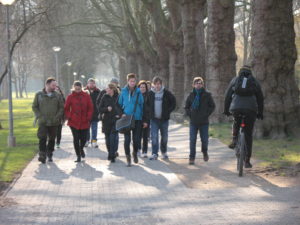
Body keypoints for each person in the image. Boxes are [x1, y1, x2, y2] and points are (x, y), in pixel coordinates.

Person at [224, 65, 264, 168]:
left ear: (240, 72)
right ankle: (247, 161)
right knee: (248, 134)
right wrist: (260, 112)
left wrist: (226, 110)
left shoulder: (235, 80)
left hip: (236, 108)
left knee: (236, 122)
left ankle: (234, 140)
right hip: (251, 110)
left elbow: (228, 96)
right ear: (250, 72)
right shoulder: (255, 81)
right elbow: (260, 98)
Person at [32, 77, 64, 163]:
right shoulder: (39, 95)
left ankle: (50, 153)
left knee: (52, 139)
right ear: (47, 84)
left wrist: (57, 116)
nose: (55, 87)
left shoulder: (57, 95)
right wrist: (39, 116)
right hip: (43, 121)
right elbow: (34, 106)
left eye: (55, 85)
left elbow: (61, 107)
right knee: (42, 138)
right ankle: (42, 155)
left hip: (54, 122)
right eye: (53, 85)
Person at [185, 77, 216, 165]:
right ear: (193, 85)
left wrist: (206, 113)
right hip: (193, 122)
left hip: (204, 122)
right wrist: (190, 114)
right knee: (192, 140)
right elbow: (186, 107)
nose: (198, 85)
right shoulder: (191, 95)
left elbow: (212, 106)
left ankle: (205, 152)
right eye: (196, 83)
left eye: (200, 83)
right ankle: (192, 157)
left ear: (202, 85)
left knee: (205, 140)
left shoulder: (207, 95)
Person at [118, 73, 146, 166]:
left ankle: (134, 153)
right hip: (126, 118)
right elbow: (118, 105)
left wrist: (143, 119)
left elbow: (142, 106)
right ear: (128, 81)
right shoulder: (123, 92)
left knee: (136, 139)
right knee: (127, 139)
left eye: (134, 81)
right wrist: (121, 114)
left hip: (137, 118)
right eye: (131, 81)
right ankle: (128, 157)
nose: (132, 83)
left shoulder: (139, 92)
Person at [64, 81, 94, 162]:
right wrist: (70, 116)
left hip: (84, 121)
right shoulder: (70, 97)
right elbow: (66, 108)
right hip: (74, 122)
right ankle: (78, 156)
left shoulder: (86, 96)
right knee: (76, 139)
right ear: (73, 88)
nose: (77, 90)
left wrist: (88, 117)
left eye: (79, 89)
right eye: (76, 89)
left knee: (83, 139)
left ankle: (81, 149)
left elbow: (90, 108)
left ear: (81, 88)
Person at [148, 76, 176, 160]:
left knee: (164, 137)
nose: (157, 85)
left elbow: (173, 103)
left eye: (159, 84)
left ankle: (164, 152)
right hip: (154, 120)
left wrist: (168, 111)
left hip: (164, 120)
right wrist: (150, 112)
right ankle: (154, 153)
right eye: (156, 84)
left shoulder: (167, 93)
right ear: (153, 84)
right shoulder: (150, 94)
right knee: (154, 137)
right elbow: (146, 105)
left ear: (161, 84)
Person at [96, 77, 121, 158]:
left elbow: (121, 106)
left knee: (114, 136)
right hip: (106, 119)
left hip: (116, 119)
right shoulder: (104, 94)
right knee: (108, 137)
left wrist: (119, 114)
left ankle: (114, 151)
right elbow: (99, 105)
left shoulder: (119, 95)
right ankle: (110, 151)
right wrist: (104, 110)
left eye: (115, 83)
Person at [84, 78, 101, 148]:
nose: (91, 85)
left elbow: (100, 102)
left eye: (92, 83)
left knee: (94, 128)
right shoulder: (84, 91)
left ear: (94, 84)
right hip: (86, 114)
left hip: (95, 113)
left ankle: (94, 141)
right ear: (87, 84)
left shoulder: (98, 92)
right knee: (86, 129)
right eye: (90, 83)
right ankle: (86, 141)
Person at [137, 80, 150, 158]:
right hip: (137, 119)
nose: (142, 88)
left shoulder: (148, 96)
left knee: (145, 136)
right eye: (141, 87)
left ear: (146, 88)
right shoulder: (136, 95)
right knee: (137, 135)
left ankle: (145, 151)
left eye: (144, 87)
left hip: (145, 119)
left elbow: (148, 110)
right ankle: (138, 149)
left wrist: (146, 121)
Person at [55, 84, 66, 149]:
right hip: (52, 117)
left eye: (57, 89)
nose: (56, 90)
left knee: (59, 131)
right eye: (55, 89)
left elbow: (64, 108)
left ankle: (58, 143)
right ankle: (52, 142)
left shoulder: (62, 97)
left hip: (60, 117)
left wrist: (63, 118)